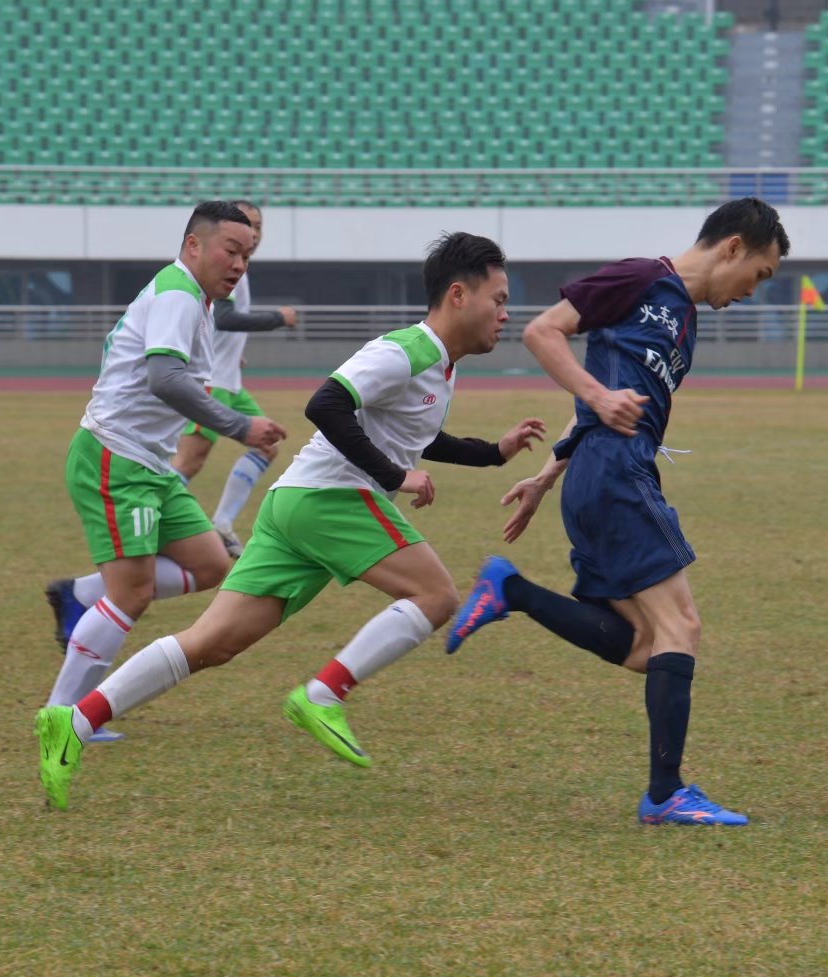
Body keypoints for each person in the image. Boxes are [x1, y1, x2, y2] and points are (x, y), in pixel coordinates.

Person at [34, 232, 547, 809]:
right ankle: (324, 694)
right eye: (499, 300)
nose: (505, 314)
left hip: (296, 505)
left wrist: (493, 452)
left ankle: (74, 721)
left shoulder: (440, 366)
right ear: (458, 295)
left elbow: (415, 434)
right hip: (329, 499)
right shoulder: (408, 350)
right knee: (436, 595)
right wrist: (393, 475)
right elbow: (326, 404)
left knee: (211, 644)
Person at [444, 197, 790, 826]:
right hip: (616, 473)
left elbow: (601, 402)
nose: (751, 291)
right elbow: (543, 331)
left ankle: (511, 590)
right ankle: (665, 795)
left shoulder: (685, 321)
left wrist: (547, 475)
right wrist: (598, 398)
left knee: (644, 646)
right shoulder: (641, 277)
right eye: (759, 275)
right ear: (734, 247)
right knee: (681, 625)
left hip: (598, 474)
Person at [39, 201, 288, 742]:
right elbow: (165, 378)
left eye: (247, 255)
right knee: (132, 593)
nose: (239, 264)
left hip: (149, 463)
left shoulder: (194, 298)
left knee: (211, 564)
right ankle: (63, 717)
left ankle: (82, 597)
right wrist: (239, 426)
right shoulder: (179, 293)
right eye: (231, 250)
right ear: (193, 245)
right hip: (116, 457)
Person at [170, 198, 300, 558]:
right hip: (212, 382)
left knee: (267, 445)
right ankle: (150, 523)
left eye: (258, 226)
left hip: (229, 380)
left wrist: (230, 351)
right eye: (247, 224)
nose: (254, 233)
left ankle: (222, 523)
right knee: (188, 462)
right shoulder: (224, 268)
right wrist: (278, 318)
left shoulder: (238, 268)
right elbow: (224, 318)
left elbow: (215, 323)